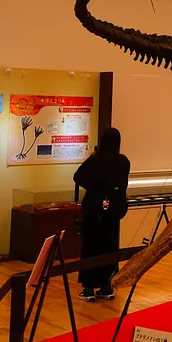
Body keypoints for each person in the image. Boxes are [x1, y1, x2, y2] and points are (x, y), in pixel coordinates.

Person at [73, 127, 130, 300]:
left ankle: (88, 288)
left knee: (90, 248)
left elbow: (78, 177)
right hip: (112, 212)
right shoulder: (123, 162)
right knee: (110, 247)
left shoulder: (95, 160)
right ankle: (107, 286)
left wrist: (94, 188)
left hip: (93, 210)